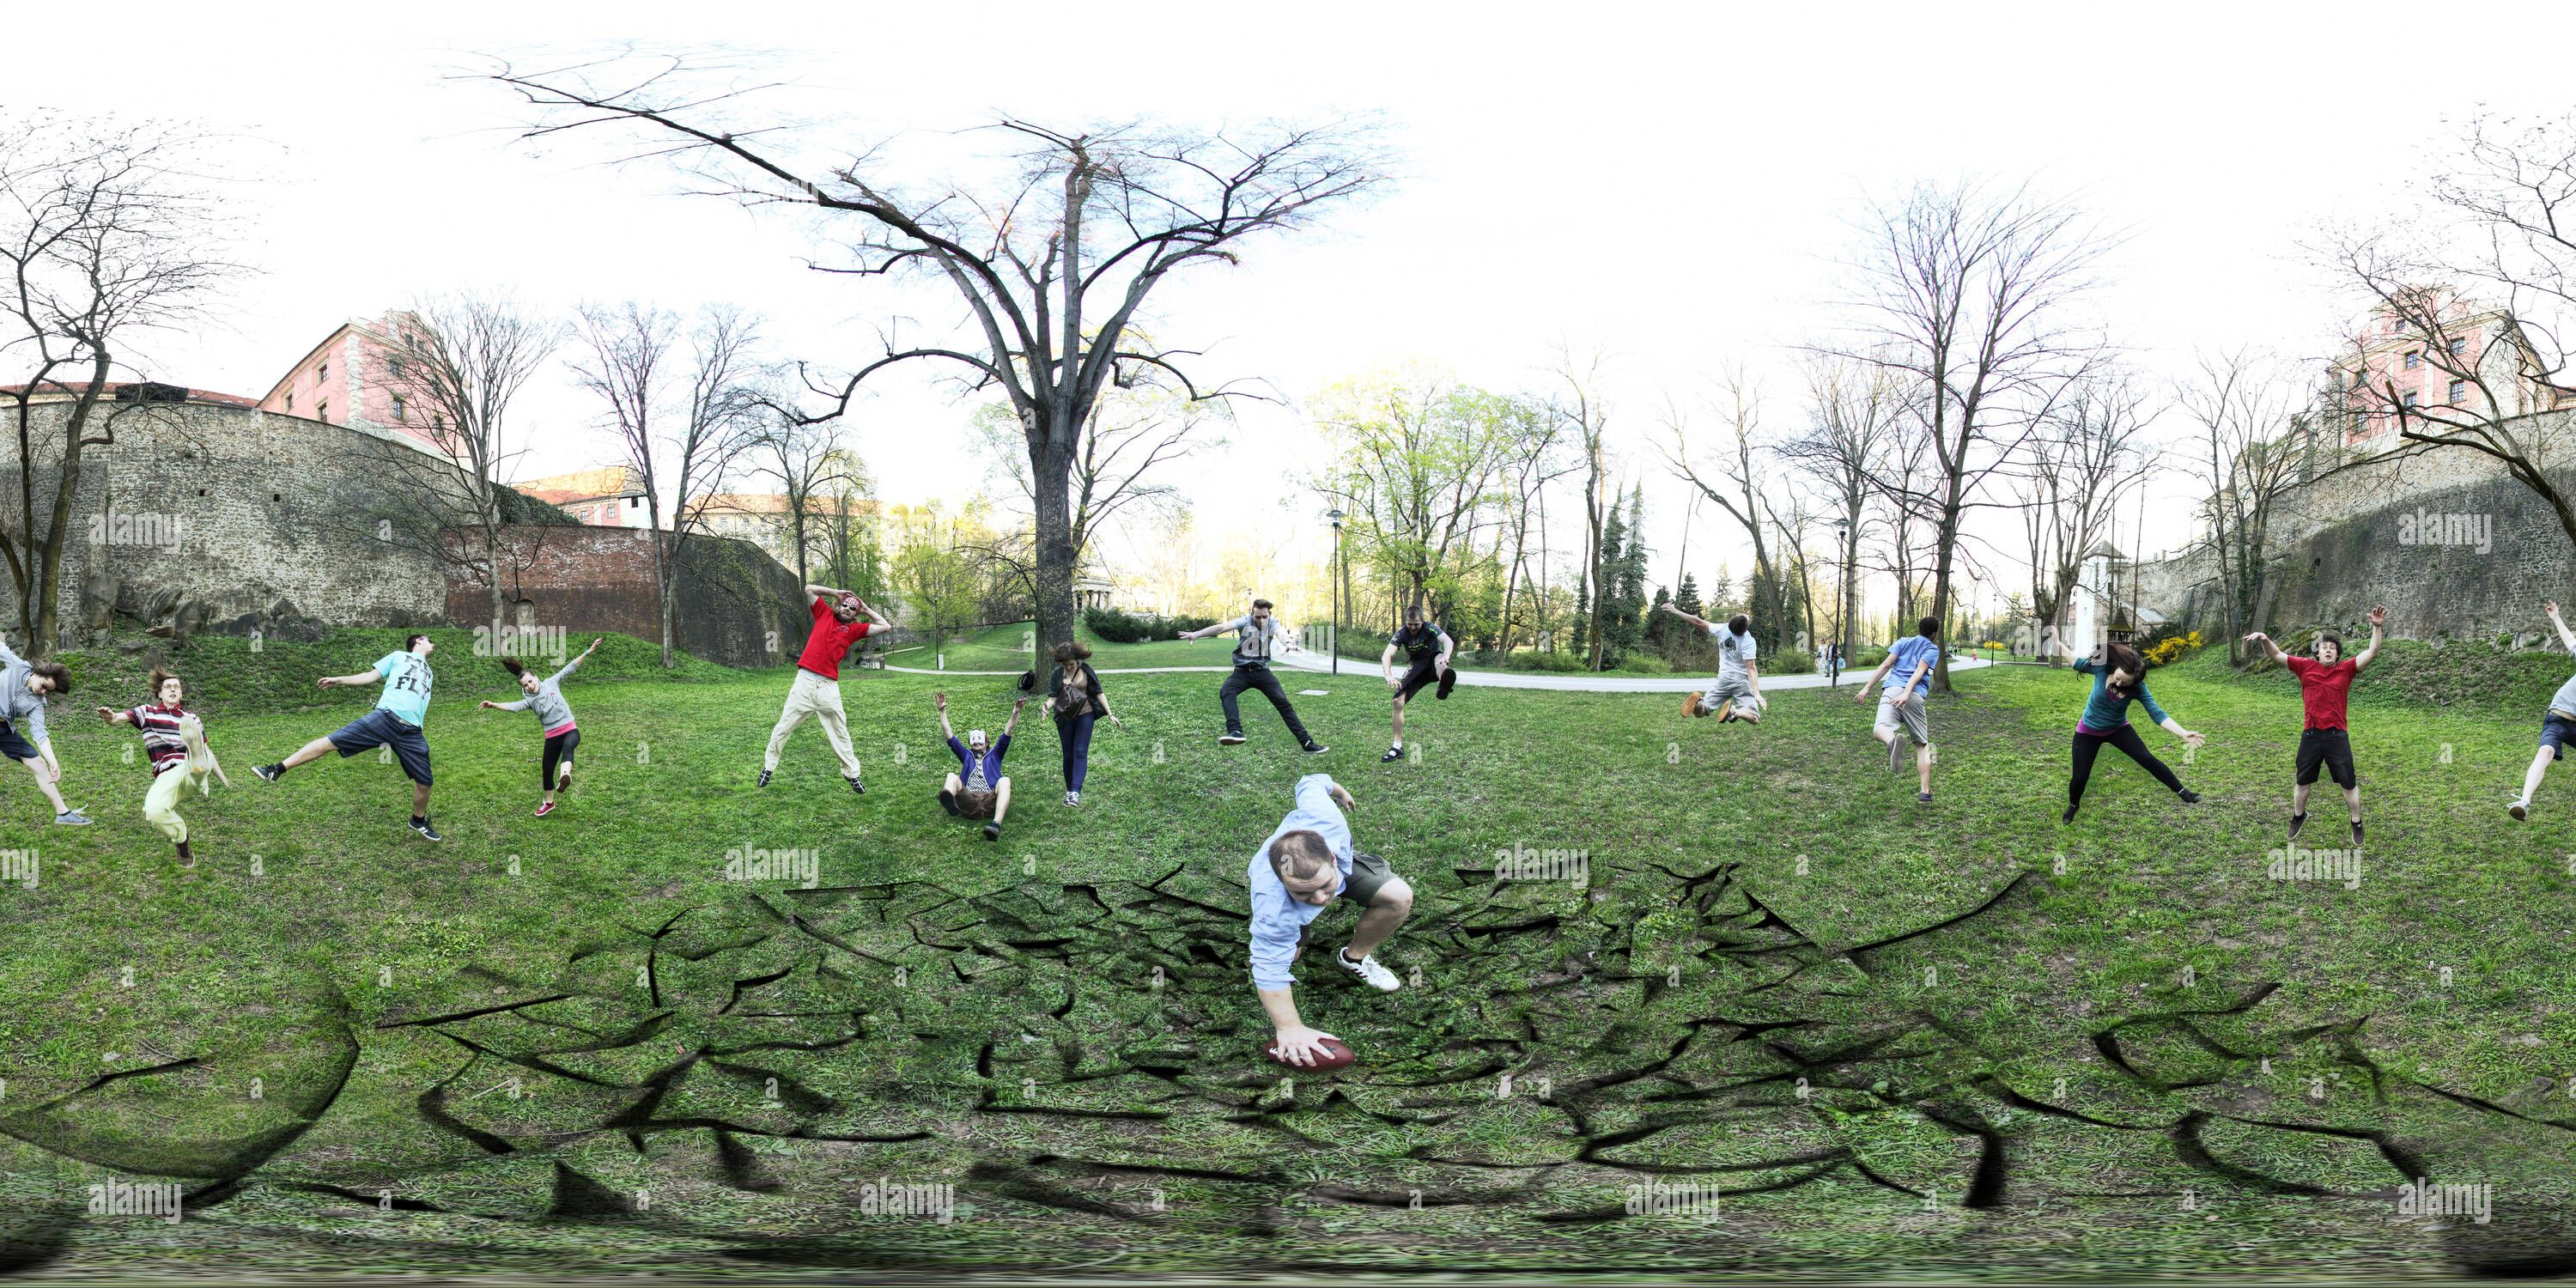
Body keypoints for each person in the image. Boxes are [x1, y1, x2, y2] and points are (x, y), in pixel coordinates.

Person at [1248, 774, 1413, 1066]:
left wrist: (1340, 791)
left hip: (1324, 867)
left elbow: (1310, 781)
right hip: (1288, 900)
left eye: (1325, 888)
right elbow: (1268, 968)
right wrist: (1290, 1029)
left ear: (1333, 859)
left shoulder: (1326, 817)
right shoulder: (1274, 905)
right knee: (1288, 956)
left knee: (1398, 897)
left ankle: (1355, 958)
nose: (1322, 900)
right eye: (1305, 893)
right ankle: (1299, 930)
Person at [251, 633, 445, 841]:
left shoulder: (429, 671)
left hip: (412, 731)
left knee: (425, 781)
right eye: (429, 640)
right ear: (419, 641)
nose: (433, 644)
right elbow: (370, 676)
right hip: (385, 718)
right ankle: (276, 770)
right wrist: (340, 680)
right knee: (332, 741)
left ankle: (418, 821)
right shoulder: (398, 656)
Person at [2245, 608, 2385, 842]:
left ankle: (2356, 821)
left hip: (2337, 736)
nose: (2328, 650)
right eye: (2324, 648)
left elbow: (2372, 651)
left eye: (2332, 648)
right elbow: (2277, 656)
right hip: (2310, 735)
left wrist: (2377, 627)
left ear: (2337, 655)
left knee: (2348, 784)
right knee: (2302, 781)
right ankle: (2299, 816)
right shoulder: (2305, 667)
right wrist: (2265, 640)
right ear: (2317, 654)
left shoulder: (2347, 669)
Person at [761, 585, 887, 793]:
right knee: (783, 727)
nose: (847, 608)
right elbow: (809, 589)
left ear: (856, 614)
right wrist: (836, 593)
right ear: (839, 606)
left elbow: (884, 626)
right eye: (845, 605)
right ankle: (768, 767)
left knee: (840, 733)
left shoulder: (855, 630)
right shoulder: (823, 614)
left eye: (852, 608)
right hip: (804, 682)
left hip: (828, 688)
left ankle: (852, 774)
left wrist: (865, 609)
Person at [2064, 641, 2205, 823]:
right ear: (2116, 668)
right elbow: (2077, 663)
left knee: (2147, 759)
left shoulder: (2138, 689)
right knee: (2080, 778)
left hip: (2118, 729)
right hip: (2088, 731)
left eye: (2125, 682)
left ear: (2134, 682)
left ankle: (2184, 793)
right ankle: (2073, 805)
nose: (2119, 683)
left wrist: (2183, 733)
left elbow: (2157, 713)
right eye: (2117, 678)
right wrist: (2058, 643)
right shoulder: (2102, 669)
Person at [98, 668, 226, 862]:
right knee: (154, 811)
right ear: (160, 693)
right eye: (168, 687)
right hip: (167, 773)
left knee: (198, 763)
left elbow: (208, 751)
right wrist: (110, 717)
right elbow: (116, 718)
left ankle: (197, 763)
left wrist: (223, 778)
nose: (173, 690)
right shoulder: (146, 713)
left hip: (188, 766)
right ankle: (182, 839)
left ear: (181, 693)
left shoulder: (192, 718)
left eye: (176, 687)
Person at [1178, 598, 1327, 754]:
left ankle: (1307, 743)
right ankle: (1235, 731)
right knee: (1227, 691)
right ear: (1252, 614)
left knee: (1284, 705)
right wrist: (1196, 634)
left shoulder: (1273, 622)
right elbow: (1222, 627)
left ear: (1269, 614)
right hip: (1241, 672)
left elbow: (1280, 633)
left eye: (1264, 617)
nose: (1261, 620)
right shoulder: (1244, 621)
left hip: (1263, 673)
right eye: (1257, 617)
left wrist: (1288, 643)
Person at [478, 637, 602, 817]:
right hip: (552, 736)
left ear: (536, 677)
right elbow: (514, 707)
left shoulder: (552, 682)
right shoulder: (529, 700)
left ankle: (564, 776)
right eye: (525, 685)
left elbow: (570, 667)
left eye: (531, 681)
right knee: (546, 770)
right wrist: (494, 704)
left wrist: (587, 652)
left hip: (570, 729)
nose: (530, 686)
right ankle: (549, 803)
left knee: (569, 747)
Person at [1856, 616, 1941, 803]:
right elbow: (1919, 671)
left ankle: (1892, 742)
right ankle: (1925, 793)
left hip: (1892, 689)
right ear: (1934, 634)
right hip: (1913, 695)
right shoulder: (1931, 648)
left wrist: (1867, 688)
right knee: (1922, 746)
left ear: (1919, 628)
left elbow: (1886, 665)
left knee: (1880, 728)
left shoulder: (1903, 642)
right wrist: (1907, 693)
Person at [0, 635, 85, 824]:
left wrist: (53, 761)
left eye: (49, 691)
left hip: (2, 728)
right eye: (45, 686)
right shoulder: (18, 666)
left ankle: (63, 813)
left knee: (38, 763)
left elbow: (40, 734)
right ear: (38, 673)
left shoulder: (37, 703)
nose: (44, 692)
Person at [2509, 600, 2576, 821]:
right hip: (2558, 718)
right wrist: (2556, 617)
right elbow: (2570, 640)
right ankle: (2524, 803)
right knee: (2545, 752)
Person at [936, 690, 1024, 841]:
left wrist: (1015, 713)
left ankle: (995, 825)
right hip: (968, 800)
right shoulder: (966, 755)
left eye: (980, 739)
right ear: (970, 743)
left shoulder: (995, 754)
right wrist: (942, 711)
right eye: (973, 740)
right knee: (951, 776)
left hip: (989, 800)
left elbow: (1008, 732)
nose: (976, 742)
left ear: (987, 742)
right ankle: (949, 801)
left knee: (1005, 780)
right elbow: (949, 735)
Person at [1041, 641, 1121, 807]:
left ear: (1077, 660)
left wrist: (1110, 714)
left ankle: (1075, 793)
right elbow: (1053, 698)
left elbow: (1099, 692)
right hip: (1065, 717)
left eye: (1070, 664)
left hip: (1085, 715)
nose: (1068, 668)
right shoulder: (1057, 674)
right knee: (1068, 754)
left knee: (1080, 751)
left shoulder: (1086, 670)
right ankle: (1069, 792)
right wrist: (1046, 707)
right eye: (1065, 665)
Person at [1378, 604, 1456, 762]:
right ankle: (1397, 747)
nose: (1413, 628)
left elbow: (1447, 641)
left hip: (1434, 660)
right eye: (1410, 624)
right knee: (1397, 702)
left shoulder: (1430, 628)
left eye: (1416, 624)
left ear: (1422, 621)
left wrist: (1446, 655)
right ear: (1406, 622)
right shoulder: (1402, 633)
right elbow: (1387, 655)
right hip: (1417, 668)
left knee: (1441, 663)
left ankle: (1444, 683)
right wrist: (1389, 676)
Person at [1661, 604, 1764, 725]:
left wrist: (1675, 611)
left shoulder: (1722, 629)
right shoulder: (1748, 641)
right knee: (1754, 718)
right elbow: (1751, 667)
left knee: (1701, 711)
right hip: (1740, 681)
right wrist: (1756, 693)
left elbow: (1698, 622)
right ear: (1745, 629)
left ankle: (1697, 703)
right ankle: (1735, 713)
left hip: (1724, 678)